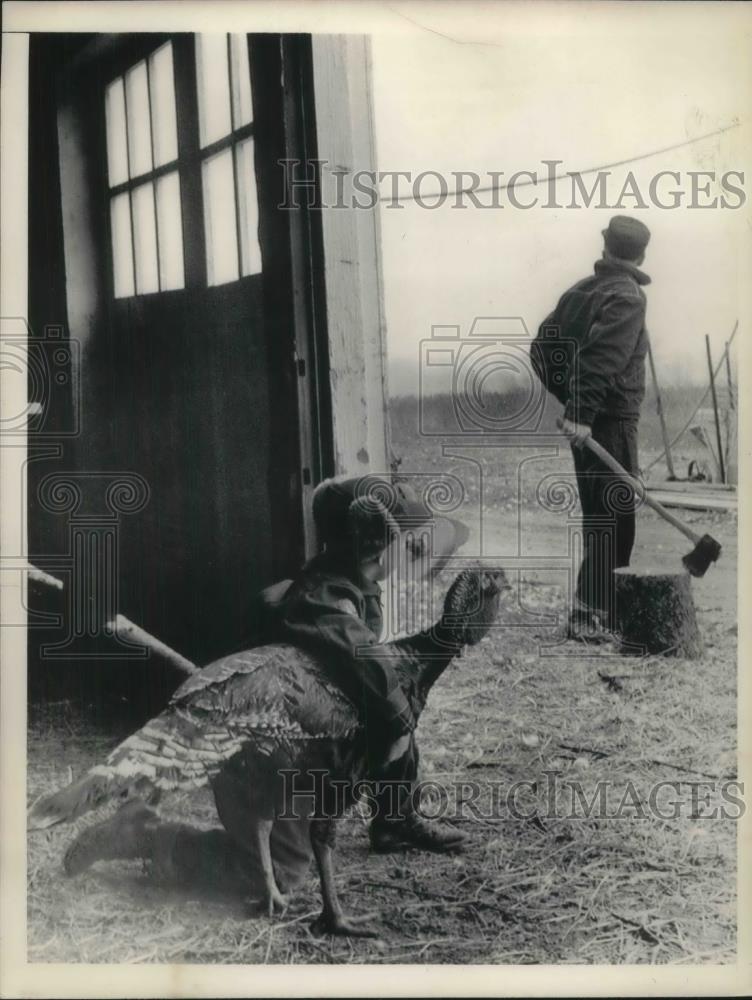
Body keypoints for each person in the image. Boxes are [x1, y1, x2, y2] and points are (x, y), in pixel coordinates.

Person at [260, 474, 467, 853]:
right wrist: (401, 720)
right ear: (375, 544)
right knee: (389, 704)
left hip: (334, 704)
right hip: (299, 733)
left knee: (392, 697)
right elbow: (363, 658)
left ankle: (394, 818)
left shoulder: (354, 582)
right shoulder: (324, 597)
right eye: (407, 542)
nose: (415, 550)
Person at [537, 216, 651, 641]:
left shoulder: (580, 291)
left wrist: (571, 402)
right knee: (615, 518)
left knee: (601, 515)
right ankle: (592, 615)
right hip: (610, 422)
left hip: (590, 423)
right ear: (640, 255)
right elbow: (600, 359)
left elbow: (541, 350)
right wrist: (583, 415)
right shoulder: (628, 297)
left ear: (606, 247)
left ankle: (600, 609)